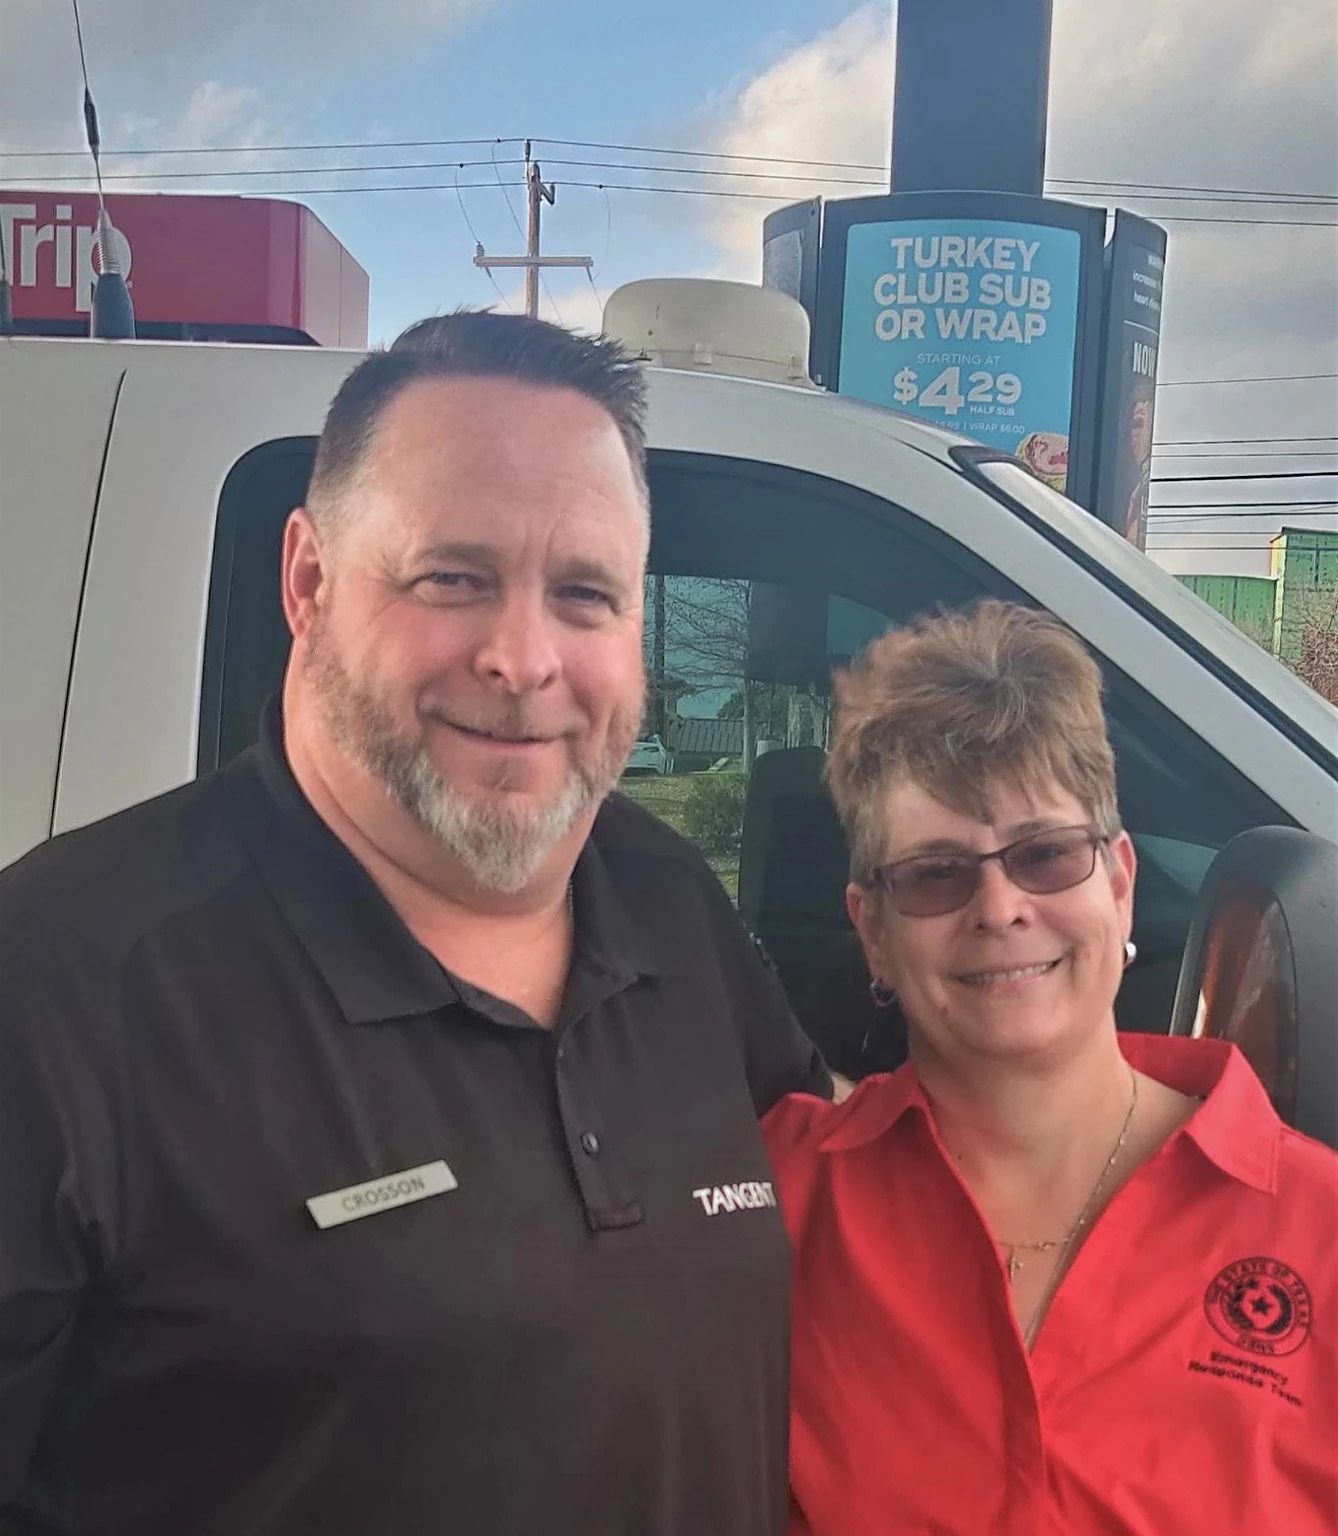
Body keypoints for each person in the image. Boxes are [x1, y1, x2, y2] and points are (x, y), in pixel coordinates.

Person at [0, 312, 829, 1536]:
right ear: (308, 582)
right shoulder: (61, 983)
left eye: (586, 594)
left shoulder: (666, 901)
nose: (523, 659)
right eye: (454, 578)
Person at [763, 600, 1336, 1536]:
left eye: (1045, 856)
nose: (999, 908)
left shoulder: (1321, 1229)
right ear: (873, 931)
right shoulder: (780, 1205)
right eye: (937, 873)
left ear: (1120, 883)